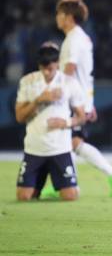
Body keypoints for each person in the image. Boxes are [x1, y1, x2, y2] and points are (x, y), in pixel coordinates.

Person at [55, 0, 112, 197]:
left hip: (71, 99)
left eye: (59, 13)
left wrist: (58, 94)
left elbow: (70, 69)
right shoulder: (81, 37)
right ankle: (66, 182)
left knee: (70, 142)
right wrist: (89, 102)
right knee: (70, 143)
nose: (56, 17)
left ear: (68, 16)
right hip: (80, 98)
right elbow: (87, 75)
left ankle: (69, 182)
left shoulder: (73, 39)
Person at [15, 42, 86, 202]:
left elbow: (82, 116)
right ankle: (39, 186)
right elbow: (19, 117)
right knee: (23, 197)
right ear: (38, 65)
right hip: (34, 149)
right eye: (43, 68)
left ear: (58, 64)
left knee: (70, 196)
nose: (47, 72)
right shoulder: (28, 81)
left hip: (59, 149)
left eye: (51, 68)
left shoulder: (69, 82)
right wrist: (39, 100)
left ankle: (59, 185)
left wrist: (65, 122)